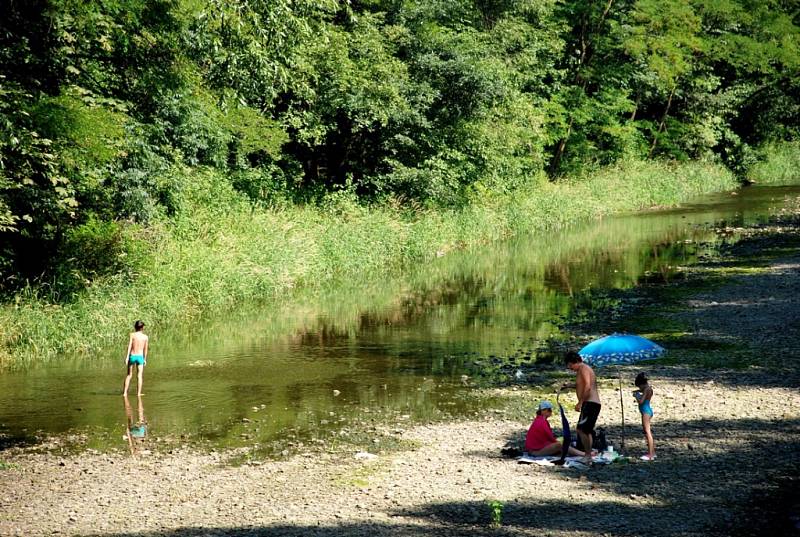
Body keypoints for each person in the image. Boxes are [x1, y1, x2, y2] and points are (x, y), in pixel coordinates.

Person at [563, 351, 601, 464]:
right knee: (586, 430)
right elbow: (581, 385)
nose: (569, 368)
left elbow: (588, 387)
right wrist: (569, 385)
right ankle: (588, 454)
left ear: (574, 362)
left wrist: (580, 402)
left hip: (590, 403)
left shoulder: (584, 368)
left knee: (581, 429)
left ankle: (588, 455)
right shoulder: (582, 370)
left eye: (570, 365)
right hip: (589, 403)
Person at [634, 372, 656, 461]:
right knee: (646, 431)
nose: (639, 388)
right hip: (647, 410)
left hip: (645, 412)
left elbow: (641, 401)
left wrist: (636, 396)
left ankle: (650, 454)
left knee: (647, 432)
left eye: (639, 387)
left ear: (642, 384)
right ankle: (652, 452)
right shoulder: (648, 389)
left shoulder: (646, 389)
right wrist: (639, 392)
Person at [123, 320, 149, 396]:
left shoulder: (132, 335)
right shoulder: (145, 337)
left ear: (135, 327)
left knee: (129, 375)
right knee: (139, 376)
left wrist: (127, 357)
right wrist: (145, 359)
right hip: (140, 357)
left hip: (132, 356)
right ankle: (138, 393)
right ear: (142, 328)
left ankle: (125, 393)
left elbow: (129, 346)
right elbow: (145, 349)